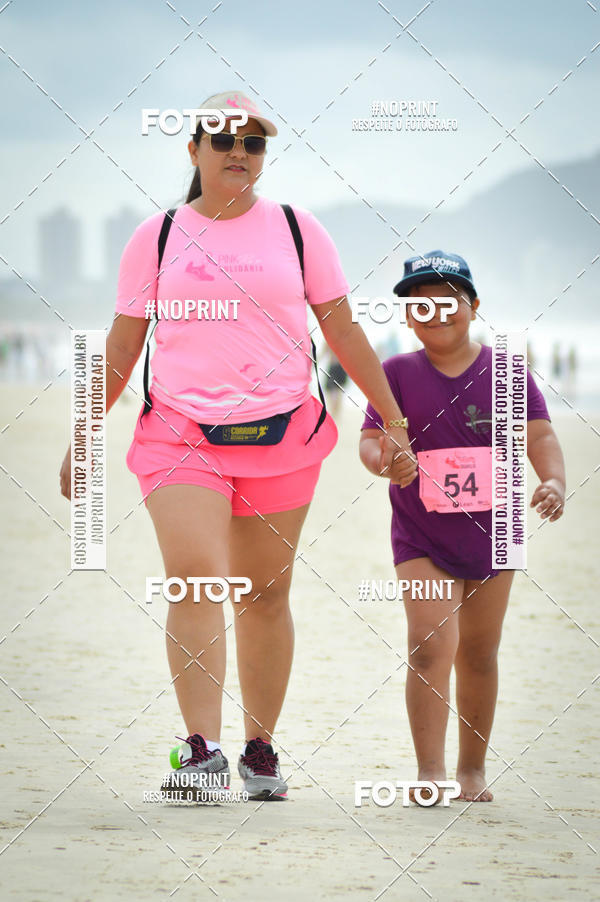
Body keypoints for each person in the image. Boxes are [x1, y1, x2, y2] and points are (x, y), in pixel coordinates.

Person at [60, 90, 417, 802]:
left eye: (252, 144)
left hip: (283, 434)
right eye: (222, 140)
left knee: (265, 593)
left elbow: (344, 333)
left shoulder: (298, 229)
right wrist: (82, 430)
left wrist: (396, 422)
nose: (237, 153)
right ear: (192, 149)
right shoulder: (157, 236)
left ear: (263, 156)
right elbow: (126, 346)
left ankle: (259, 749)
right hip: (180, 435)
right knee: (195, 579)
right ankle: (200, 752)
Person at [359, 251, 566, 802]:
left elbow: (540, 436)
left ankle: (471, 771)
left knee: (479, 652)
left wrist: (552, 481)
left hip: (496, 537)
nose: (434, 310)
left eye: (447, 299)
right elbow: (369, 440)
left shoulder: (507, 372)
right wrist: (385, 459)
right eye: (419, 303)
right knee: (429, 646)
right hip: (420, 536)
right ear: (405, 317)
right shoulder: (395, 375)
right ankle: (430, 771)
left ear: (473, 306)